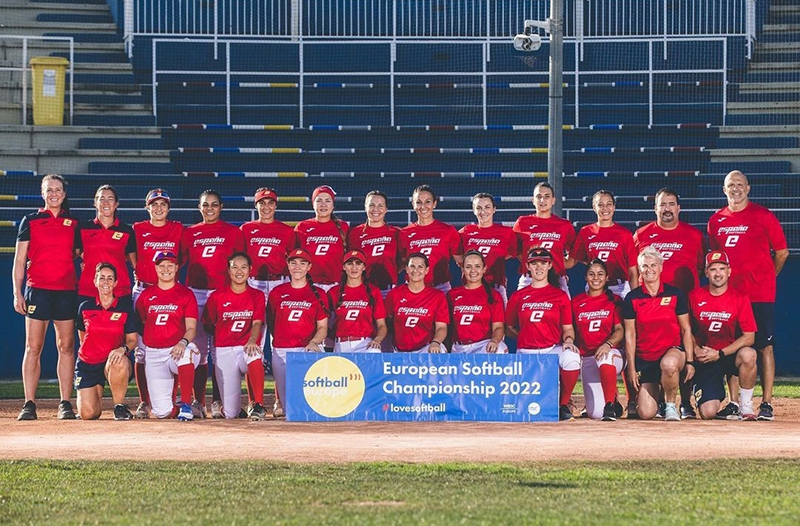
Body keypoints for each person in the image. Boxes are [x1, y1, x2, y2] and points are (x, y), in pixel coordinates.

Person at [707, 170, 788, 421]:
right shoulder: (716, 220)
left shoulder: (763, 215)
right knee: (733, 348)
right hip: (730, 296)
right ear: (724, 190)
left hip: (759, 295)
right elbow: (717, 259)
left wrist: (767, 276)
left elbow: (782, 252)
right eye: (731, 185)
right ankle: (735, 403)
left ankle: (767, 403)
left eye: (740, 184)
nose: (736, 188)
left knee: (764, 347)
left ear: (748, 188)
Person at [13, 174, 81, 420]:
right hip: (37, 291)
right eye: (49, 189)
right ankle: (29, 404)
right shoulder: (30, 220)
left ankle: (65, 403)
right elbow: (19, 260)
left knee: (66, 346)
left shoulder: (74, 223)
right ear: (42, 193)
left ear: (64, 194)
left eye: (58, 189)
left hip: (66, 291)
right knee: (33, 347)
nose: (54, 194)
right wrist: (17, 293)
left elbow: (78, 253)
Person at [633, 187, 705, 419]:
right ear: (655, 208)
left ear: (679, 208)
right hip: (651, 307)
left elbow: (700, 267)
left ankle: (686, 402)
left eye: (671, 204)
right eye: (662, 204)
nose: (667, 209)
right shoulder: (642, 234)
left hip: (684, 306)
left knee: (682, 351)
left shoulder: (694, 235)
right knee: (654, 352)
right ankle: (655, 399)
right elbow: (635, 270)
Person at [180, 189, 246, 419]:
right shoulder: (190, 232)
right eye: (205, 205)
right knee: (197, 350)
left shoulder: (233, 232)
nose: (209, 209)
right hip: (196, 293)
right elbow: (177, 262)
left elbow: (241, 265)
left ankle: (218, 401)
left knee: (220, 351)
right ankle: (198, 402)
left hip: (222, 295)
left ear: (221, 207)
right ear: (199, 208)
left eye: (214, 204)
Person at [505, 247, 580, 421]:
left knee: (572, 357)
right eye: (534, 263)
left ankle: (563, 404)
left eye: (543, 263)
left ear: (550, 265)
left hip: (551, 349)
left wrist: (569, 340)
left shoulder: (560, 295)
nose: (539, 267)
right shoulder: (518, 296)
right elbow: (508, 326)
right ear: (527, 266)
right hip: (526, 352)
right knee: (525, 407)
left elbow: (568, 328)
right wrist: (525, 335)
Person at [622, 246, 694, 421]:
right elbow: (630, 335)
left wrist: (690, 361)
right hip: (647, 359)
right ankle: (659, 399)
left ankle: (670, 406)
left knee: (669, 364)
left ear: (661, 267)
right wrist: (631, 368)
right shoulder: (632, 298)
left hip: (672, 352)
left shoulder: (675, 294)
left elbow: (686, 329)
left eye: (653, 265)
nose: (650, 269)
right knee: (646, 413)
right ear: (640, 270)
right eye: (645, 266)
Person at [131, 188, 184, 419]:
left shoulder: (178, 228)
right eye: (154, 204)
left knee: (172, 348)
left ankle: (170, 398)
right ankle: (144, 401)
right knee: (142, 351)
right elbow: (131, 255)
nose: (159, 208)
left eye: (163, 204)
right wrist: (141, 270)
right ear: (147, 207)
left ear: (169, 207)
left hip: (170, 292)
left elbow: (183, 256)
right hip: (144, 290)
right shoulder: (138, 229)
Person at [688, 250, 758, 420]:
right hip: (705, 358)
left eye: (722, 268)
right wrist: (696, 349)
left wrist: (720, 353)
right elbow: (686, 329)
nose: (717, 273)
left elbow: (749, 337)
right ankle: (716, 396)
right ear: (706, 272)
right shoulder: (695, 296)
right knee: (708, 413)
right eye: (713, 269)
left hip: (728, 354)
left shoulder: (739, 298)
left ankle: (745, 406)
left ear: (729, 271)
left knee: (749, 354)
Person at [201, 253, 267, 420]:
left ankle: (258, 405)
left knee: (255, 354)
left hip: (245, 346)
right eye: (235, 267)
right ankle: (235, 409)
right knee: (231, 414)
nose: (239, 271)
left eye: (243, 267)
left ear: (250, 270)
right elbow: (208, 324)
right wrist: (223, 336)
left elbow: (257, 323)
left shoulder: (257, 295)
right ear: (228, 270)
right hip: (224, 349)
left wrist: (252, 340)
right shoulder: (217, 296)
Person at [135, 251, 200, 420]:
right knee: (162, 413)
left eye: (170, 265)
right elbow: (142, 322)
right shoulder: (146, 295)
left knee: (187, 353)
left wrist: (182, 342)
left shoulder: (185, 294)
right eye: (162, 266)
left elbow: (191, 328)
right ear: (156, 268)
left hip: (177, 349)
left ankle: (186, 404)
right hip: (154, 353)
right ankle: (184, 409)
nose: (166, 269)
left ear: (177, 268)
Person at [267, 249, 329, 415]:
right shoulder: (277, 293)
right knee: (289, 409)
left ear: (309, 267)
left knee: (308, 404)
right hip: (281, 351)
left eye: (302, 263)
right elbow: (271, 321)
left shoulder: (318, 294)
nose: (297, 267)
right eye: (293, 263)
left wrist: (314, 342)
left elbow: (323, 327)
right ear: (288, 265)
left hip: (306, 350)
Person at [75, 263, 137, 420]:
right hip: (88, 364)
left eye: (110, 278)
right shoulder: (85, 307)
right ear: (95, 281)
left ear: (115, 283)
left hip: (113, 362)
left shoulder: (125, 308)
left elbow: (132, 340)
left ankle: (119, 407)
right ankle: (95, 396)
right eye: (101, 278)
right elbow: (83, 337)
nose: (106, 282)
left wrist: (122, 349)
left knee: (118, 360)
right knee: (89, 414)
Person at [570, 259, 625, 421]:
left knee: (605, 357)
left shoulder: (614, 300)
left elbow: (620, 330)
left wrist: (608, 344)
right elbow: (570, 329)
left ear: (607, 277)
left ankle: (609, 406)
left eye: (600, 274)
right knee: (595, 414)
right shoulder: (576, 302)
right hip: (588, 357)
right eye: (591, 274)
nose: (596, 278)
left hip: (613, 354)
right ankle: (612, 398)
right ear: (585, 277)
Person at [569, 190, 638, 299]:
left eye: (609, 204)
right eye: (600, 205)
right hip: (594, 287)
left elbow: (633, 272)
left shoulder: (625, 234)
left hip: (619, 288)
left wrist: (636, 299)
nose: (605, 208)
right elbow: (572, 261)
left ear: (614, 207)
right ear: (594, 207)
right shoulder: (586, 232)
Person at [513, 182, 575, 294]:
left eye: (547, 196)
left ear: (553, 200)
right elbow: (515, 249)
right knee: (519, 305)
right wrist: (531, 261)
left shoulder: (564, 225)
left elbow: (573, 256)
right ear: (533, 200)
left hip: (557, 279)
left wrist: (559, 264)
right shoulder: (522, 222)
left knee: (564, 306)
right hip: (529, 278)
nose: (542, 200)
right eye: (539, 196)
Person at [399, 185, 463, 293]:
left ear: (434, 203)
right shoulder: (404, 233)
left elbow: (461, 262)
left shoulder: (448, 231)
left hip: (441, 288)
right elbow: (402, 263)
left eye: (427, 202)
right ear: (413, 204)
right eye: (418, 202)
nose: (423, 206)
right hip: (414, 288)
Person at [458, 193, 518, 304]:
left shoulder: (506, 233)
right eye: (479, 208)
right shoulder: (464, 232)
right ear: (474, 210)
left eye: (487, 207)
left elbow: (513, 253)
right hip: (471, 286)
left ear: (494, 209)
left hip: (496, 286)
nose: (483, 211)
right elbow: (458, 256)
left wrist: (495, 258)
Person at [384, 252, 449, 353]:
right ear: (406, 269)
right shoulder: (395, 294)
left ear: (426, 270)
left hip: (425, 349)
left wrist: (436, 342)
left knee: (440, 350)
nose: (416, 270)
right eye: (412, 266)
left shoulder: (437, 296)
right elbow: (388, 320)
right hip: (399, 350)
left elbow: (441, 327)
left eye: (420, 267)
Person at [328, 249, 388, 353]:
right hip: (340, 344)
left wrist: (377, 340)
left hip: (365, 344)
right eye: (350, 263)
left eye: (358, 263)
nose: (354, 267)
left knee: (374, 352)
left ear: (364, 267)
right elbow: (323, 322)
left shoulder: (373, 291)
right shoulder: (333, 292)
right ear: (344, 267)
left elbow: (382, 325)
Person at [447, 250, 507, 354]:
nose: (473, 270)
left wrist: (494, 340)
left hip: (483, 346)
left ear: (484, 269)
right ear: (462, 269)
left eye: (477, 266)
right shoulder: (452, 295)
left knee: (499, 349)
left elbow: (498, 327)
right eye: (468, 267)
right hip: (459, 347)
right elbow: (445, 326)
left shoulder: (493, 295)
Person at [295, 185, 350, 293]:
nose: (323, 204)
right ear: (313, 204)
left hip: (336, 286)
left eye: (327, 201)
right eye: (319, 200)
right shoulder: (302, 227)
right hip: (309, 285)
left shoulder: (343, 227)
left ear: (333, 205)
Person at [347, 190, 400, 297]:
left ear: (386, 209)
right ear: (365, 207)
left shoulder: (396, 233)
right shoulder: (355, 233)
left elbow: (403, 259)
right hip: (363, 290)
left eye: (380, 206)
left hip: (388, 290)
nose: (375, 209)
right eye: (371, 205)